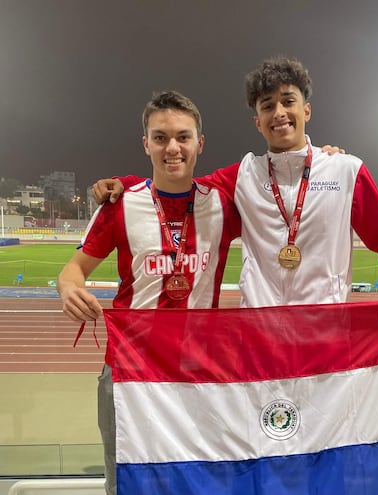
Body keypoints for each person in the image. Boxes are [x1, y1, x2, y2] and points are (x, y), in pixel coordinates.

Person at [94, 56, 378, 317]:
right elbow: (177, 184)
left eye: (288, 101)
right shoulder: (243, 176)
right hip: (260, 336)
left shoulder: (346, 171)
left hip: (325, 332)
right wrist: (125, 185)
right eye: (268, 106)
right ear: (258, 121)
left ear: (306, 110)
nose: (279, 112)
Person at [57, 91, 242, 495]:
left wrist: (324, 156)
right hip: (129, 372)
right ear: (146, 144)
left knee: (198, 480)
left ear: (200, 143)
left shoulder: (225, 206)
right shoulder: (119, 204)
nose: (172, 148)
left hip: (198, 372)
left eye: (182, 137)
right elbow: (72, 271)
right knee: (126, 482)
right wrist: (69, 289)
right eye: (160, 138)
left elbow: (281, 184)